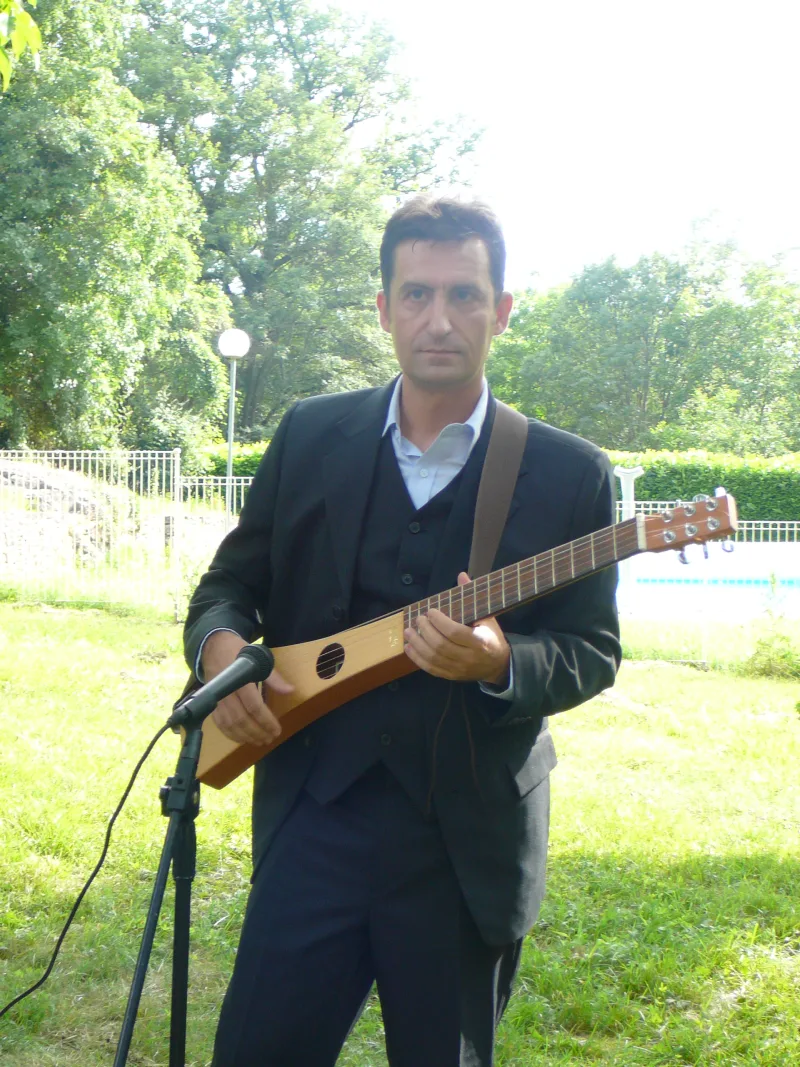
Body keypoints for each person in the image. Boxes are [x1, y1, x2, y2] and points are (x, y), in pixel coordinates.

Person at [184, 197, 621, 1067]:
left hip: (464, 844)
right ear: (384, 309)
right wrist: (223, 656)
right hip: (314, 817)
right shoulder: (312, 434)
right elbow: (230, 586)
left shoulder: (569, 472)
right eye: (417, 294)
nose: (439, 319)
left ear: (502, 310)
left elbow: (592, 648)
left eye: (464, 294)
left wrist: (501, 660)